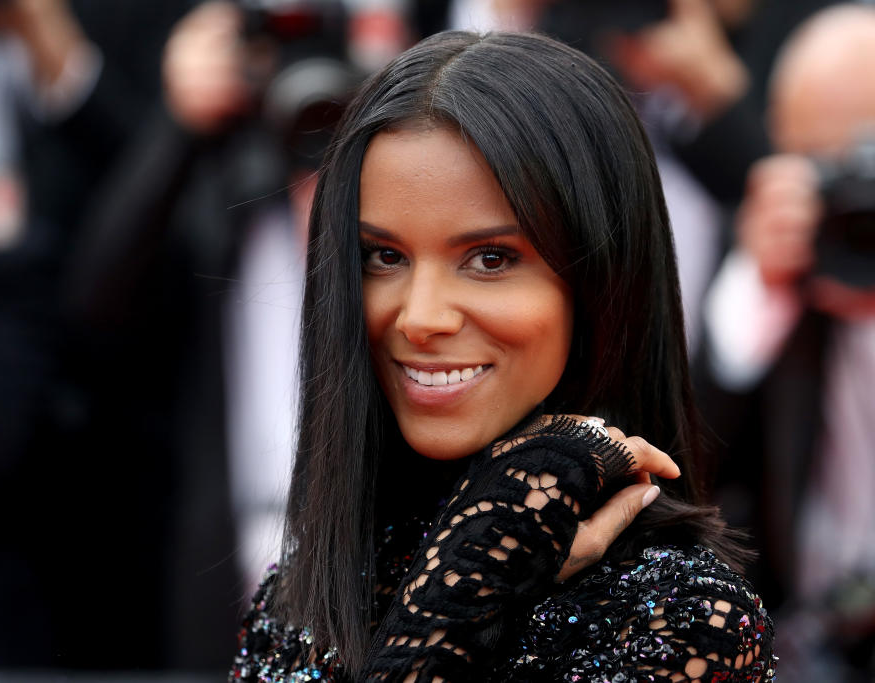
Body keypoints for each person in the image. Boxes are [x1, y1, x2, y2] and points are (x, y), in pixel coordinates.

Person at [230, 31, 775, 682]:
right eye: (385, 256)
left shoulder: (681, 618)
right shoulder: (298, 599)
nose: (421, 317)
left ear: (603, 281)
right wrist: (485, 555)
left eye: (490, 258)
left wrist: (490, 546)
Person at [700, 5, 875, 679]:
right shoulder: (758, 255)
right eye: (824, 169)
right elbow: (693, 471)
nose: (853, 202)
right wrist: (761, 290)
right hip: (800, 640)